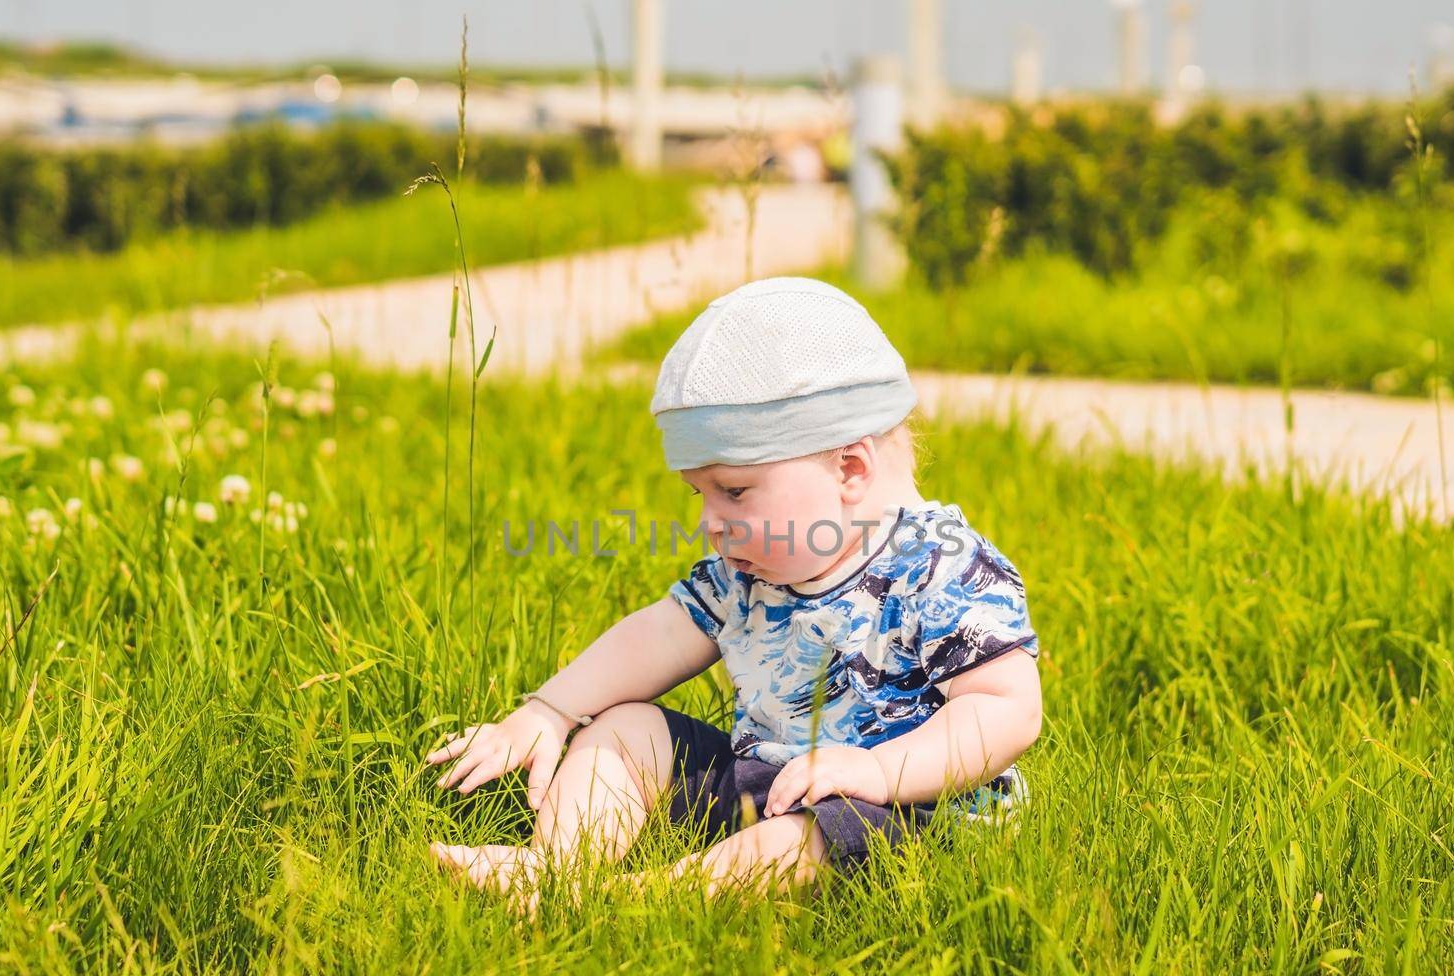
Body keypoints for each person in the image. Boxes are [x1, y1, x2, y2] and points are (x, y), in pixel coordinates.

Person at [426, 276, 1043, 899]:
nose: (709, 521)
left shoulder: (942, 567)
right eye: (702, 494)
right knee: (625, 728)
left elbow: (1005, 708)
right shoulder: (750, 571)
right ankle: (558, 868)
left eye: (735, 492)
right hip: (769, 778)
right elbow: (661, 633)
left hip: (908, 813)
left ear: (849, 470)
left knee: (804, 841)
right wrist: (549, 711)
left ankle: (638, 899)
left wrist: (878, 771)